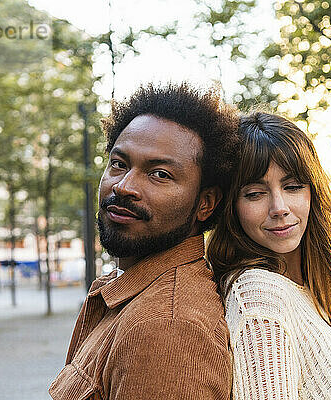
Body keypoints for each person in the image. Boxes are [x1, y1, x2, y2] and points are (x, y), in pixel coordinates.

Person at [49, 83, 239, 400]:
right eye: (119, 164)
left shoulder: (167, 328)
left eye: (160, 174)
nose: (124, 186)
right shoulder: (133, 293)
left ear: (205, 203)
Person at [207, 111, 331, 400]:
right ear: (232, 209)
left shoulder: (305, 288)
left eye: (292, 187)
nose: (279, 207)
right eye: (254, 193)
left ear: (313, 191)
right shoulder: (258, 295)